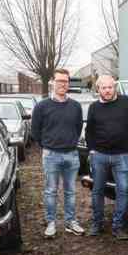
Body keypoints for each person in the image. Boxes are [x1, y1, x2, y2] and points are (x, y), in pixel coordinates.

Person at [85, 75, 128, 240]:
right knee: (97, 191)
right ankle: (97, 223)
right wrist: (91, 150)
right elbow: (89, 131)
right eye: (103, 88)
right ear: (99, 90)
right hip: (99, 156)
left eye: (110, 87)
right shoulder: (94, 107)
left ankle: (118, 226)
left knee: (123, 190)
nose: (107, 90)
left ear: (114, 87)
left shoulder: (126, 102)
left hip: (121, 155)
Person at [32, 68, 85, 238]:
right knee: (50, 191)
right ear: (52, 82)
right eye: (60, 81)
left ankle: (70, 222)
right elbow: (35, 131)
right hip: (51, 155)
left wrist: (69, 142)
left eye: (66, 81)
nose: (63, 84)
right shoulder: (42, 106)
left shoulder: (75, 106)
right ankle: (51, 223)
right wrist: (48, 145)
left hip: (71, 154)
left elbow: (78, 128)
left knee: (70, 191)